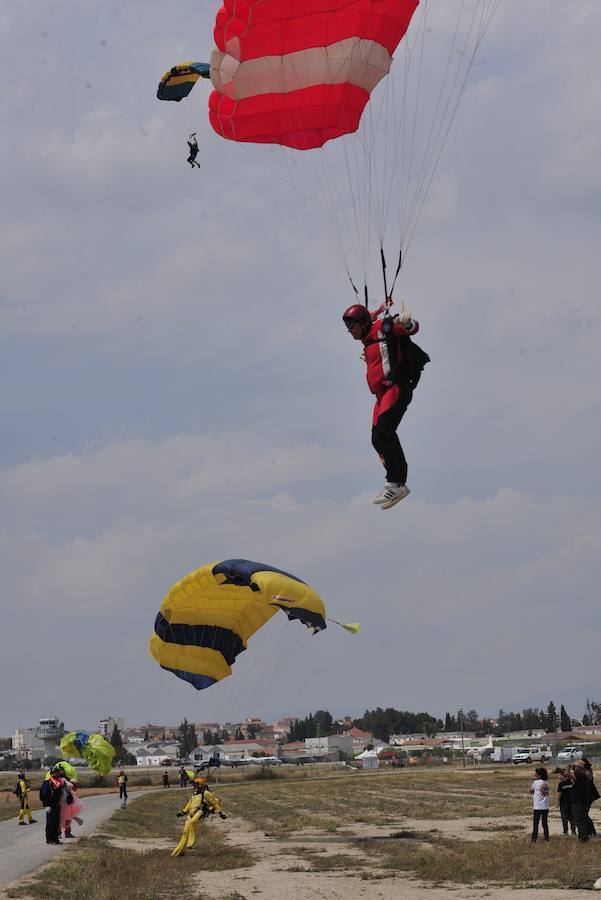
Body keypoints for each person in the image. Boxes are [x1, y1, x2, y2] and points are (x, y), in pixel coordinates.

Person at [342, 298, 423, 509]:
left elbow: (412, 328)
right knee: (376, 439)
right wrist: (381, 306)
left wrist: (407, 323)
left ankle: (398, 483)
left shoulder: (382, 328)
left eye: (352, 327)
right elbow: (369, 316)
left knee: (384, 433)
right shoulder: (367, 335)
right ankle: (392, 481)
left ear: (361, 324)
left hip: (394, 388)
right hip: (380, 396)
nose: (350, 332)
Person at [171, 776, 227, 857]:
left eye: (195, 784)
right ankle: (178, 851)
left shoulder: (206, 793)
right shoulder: (194, 794)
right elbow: (189, 804)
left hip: (200, 812)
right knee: (185, 833)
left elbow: (214, 803)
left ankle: (190, 843)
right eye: (194, 784)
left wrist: (220, 812)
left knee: (192, 823)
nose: (194, 786)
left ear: (200, 784)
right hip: (190, 814)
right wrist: (183, 812)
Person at [41, 767, 72, 845]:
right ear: (51, 774)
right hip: (50, 806)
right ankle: (49, 839)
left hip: (57, 805)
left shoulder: (60, 783)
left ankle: (55, 839)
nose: (56, 774)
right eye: (54, 773)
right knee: (50, 823)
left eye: (57, 772)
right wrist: (47, 805)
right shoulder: (48, 783)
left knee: (56, 823)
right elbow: (44, 794)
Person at [529, 766, 550, 843]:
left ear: (539, 775)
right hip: (545, 806)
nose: (535, 776)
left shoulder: (535, 782)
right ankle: (547, 838)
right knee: (545, 823)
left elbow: (531, 791)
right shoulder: (546, 782)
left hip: (537, 806)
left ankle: (534, 839)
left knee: (536, 823)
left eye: (536, 775)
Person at [555, 767, 576, 836]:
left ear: (563, 775)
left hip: (564, 803)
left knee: (564, 818)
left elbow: (559, 793)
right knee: (572, 818)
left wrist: (557, 802)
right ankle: (573, 831)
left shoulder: (561, 784)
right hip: (572, 802)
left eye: (559, 775)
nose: (558, 776)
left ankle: (565, 832)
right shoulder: (572, 782)